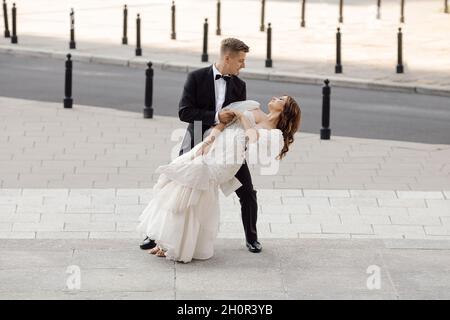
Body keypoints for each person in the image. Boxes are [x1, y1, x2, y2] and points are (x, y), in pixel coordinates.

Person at [137, 96, 301, 263]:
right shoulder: (254, 108)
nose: (275, 97)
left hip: (228, 160)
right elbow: (223, 123)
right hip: (213, 145)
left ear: (286, 109)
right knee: (180, 183)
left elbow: (253, 138)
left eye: (281, 99)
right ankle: (165, 240)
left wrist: (243, 117)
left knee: (193, 185)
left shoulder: (276, 134)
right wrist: (208, 141)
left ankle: (174, 245)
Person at [141, 37, 266, 253]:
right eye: (241, 61)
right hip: (196, 139)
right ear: (227, 57)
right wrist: (217, 116)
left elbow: (240, 121)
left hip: (227, 147)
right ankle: (154, 235)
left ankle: (252, 238)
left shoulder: (239, 85)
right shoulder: (196, 77)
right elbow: (184, 112)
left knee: (247, 191)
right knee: (173, 185)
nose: (243, 65)